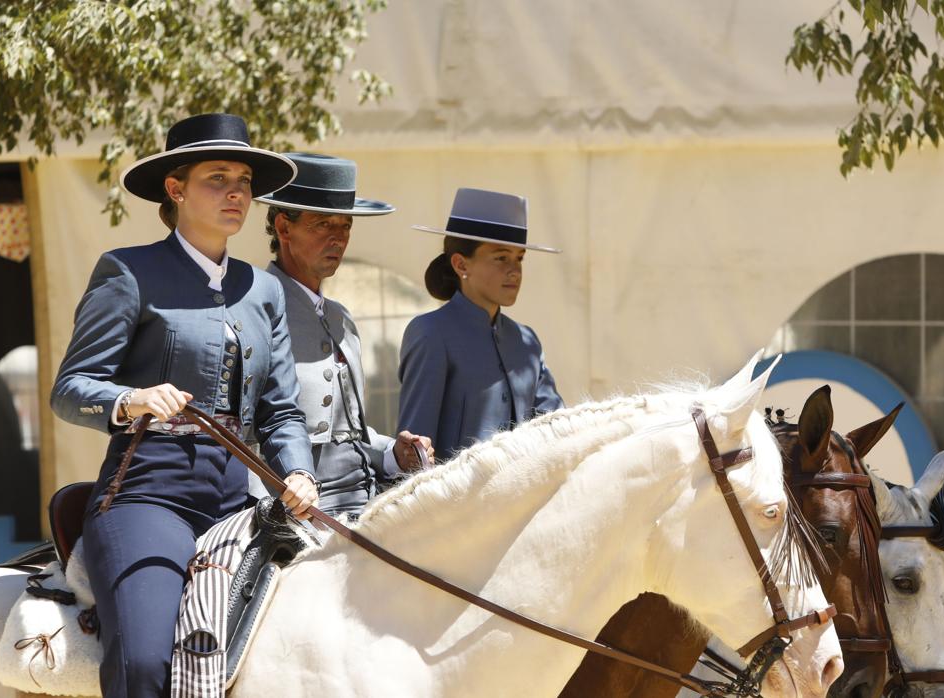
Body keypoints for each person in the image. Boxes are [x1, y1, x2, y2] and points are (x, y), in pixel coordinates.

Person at [50, 113, 318, 698]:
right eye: (217, 177)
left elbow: (281, 412)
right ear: (176, 189)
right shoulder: (128, 271)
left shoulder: (264, 289)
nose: (236, 192)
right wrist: (132, 397)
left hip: (238, 501)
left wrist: (298, 470)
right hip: (146, 493)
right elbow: (70, 390)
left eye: (244, 180)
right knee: (145, 663)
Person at [255, 152, 433, 518]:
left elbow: (349, 433)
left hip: (365, 500)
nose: (338, 238)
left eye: (346, 225)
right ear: (285, 228)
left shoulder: (341, 318)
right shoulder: (254, 308)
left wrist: (391, 453)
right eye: (323, 224)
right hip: (295, 507)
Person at [397, 187, 564, 460]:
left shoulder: (526, 341)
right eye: (501, 257)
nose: (514, 270)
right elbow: (415, 450)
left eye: (519, 258)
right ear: (461, 265)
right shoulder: (431, 333)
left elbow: (556, 427)